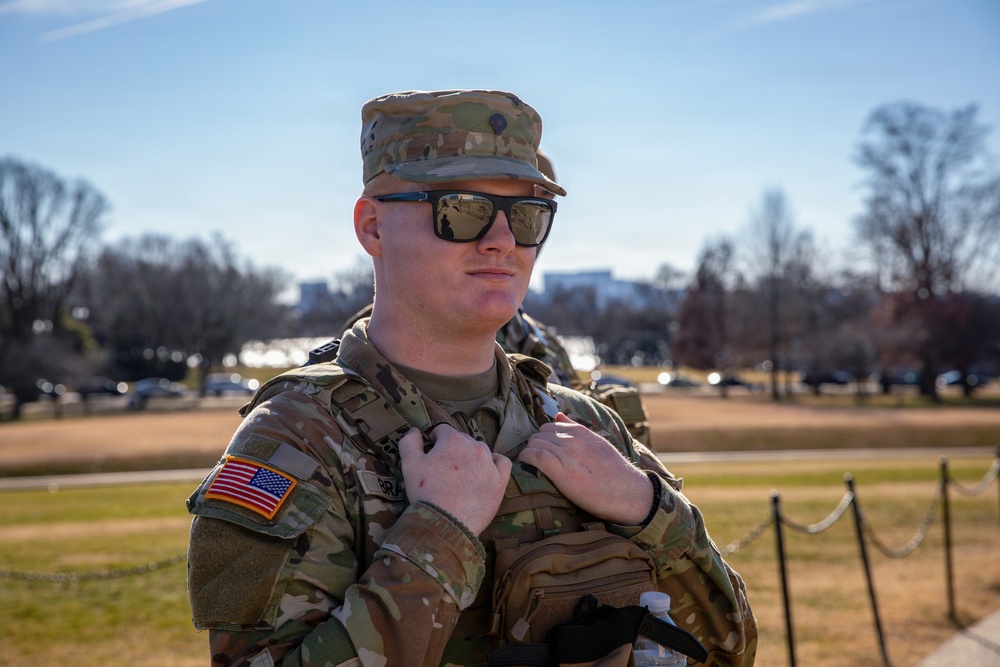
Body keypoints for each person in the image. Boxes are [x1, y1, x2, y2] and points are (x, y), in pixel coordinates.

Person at [186, 89, 756, 667]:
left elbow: (729, 646)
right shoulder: (297, 439)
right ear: (373, 227)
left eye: (527, 216)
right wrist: (437, 535)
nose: (503, 242)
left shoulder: (587, 424)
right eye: (460, 209)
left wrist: (647, 506)